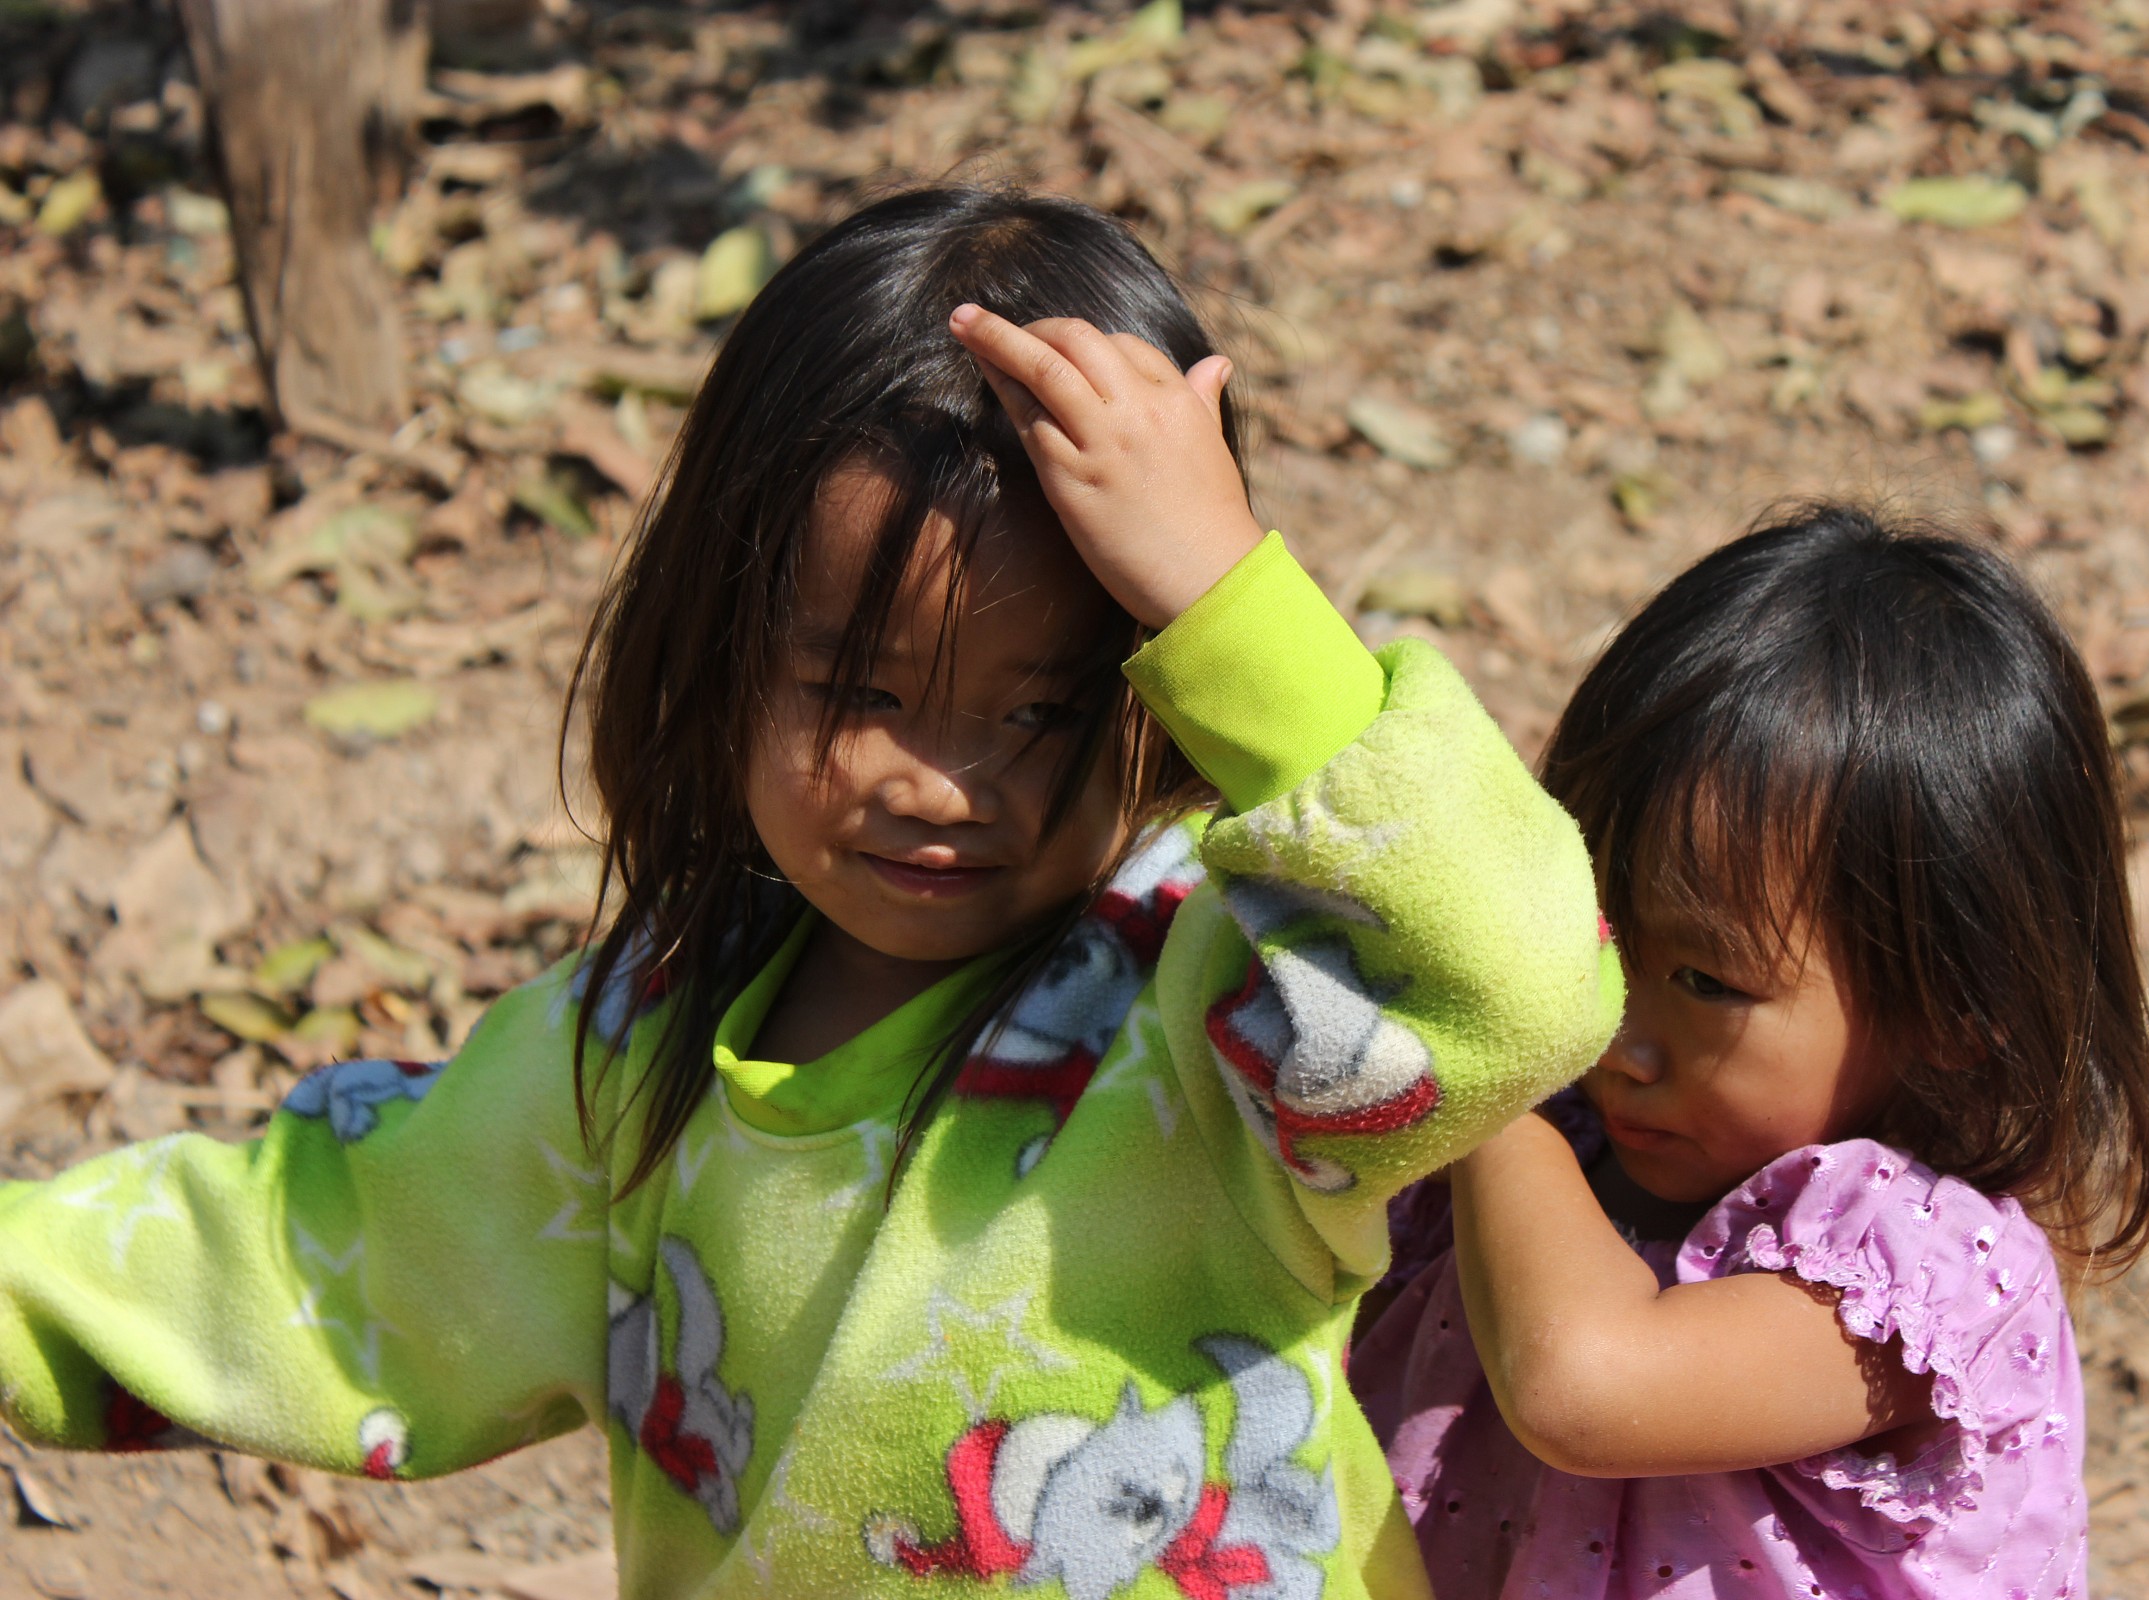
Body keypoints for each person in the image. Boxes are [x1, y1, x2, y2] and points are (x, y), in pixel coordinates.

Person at [0, 189, 1618, 1599]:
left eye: (1041, 708)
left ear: (1154, 688)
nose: (944, 781)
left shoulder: (1221, 1000)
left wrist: (1230, 593)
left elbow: (1517, 975)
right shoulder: (635, 1051)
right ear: (721, 655)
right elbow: (307, 1255)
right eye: (863, 689)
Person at [1352, 505, 2149, 1600]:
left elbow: (1581, 1387)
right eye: (1600, 930)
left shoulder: (1926, 1274)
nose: (1619, 1036)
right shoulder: (1567, 1145)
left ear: (1953, 1008)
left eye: (1707, 981)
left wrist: (1487, 1068)